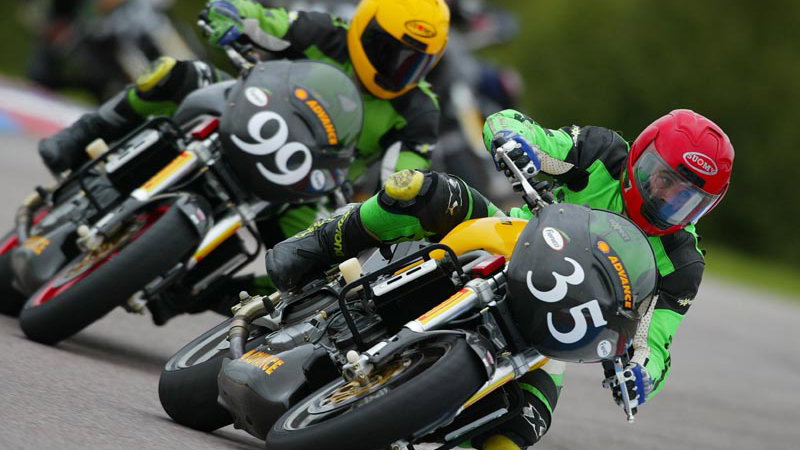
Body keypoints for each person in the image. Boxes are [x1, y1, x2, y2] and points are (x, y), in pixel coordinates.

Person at [263, 108, 735, 449]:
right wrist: (514, 140)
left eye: (689, 200)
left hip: (552, 331)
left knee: (523, 427)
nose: (669, 201)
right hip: (510, 240)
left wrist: (641, 374)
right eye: (665, 179)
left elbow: (655, 340)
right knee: (418, 190)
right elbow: (523, 130)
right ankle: (319, 243)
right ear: (642, 156)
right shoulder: (602, 154)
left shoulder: (683, 262)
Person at [35, 0, 450, 323]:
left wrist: (396, 198)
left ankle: (209, 291)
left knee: (323, 264)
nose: (397, 67)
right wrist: (228, 14)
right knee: (172, 72)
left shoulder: (420, 109)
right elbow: (260, 18)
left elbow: (403, 176)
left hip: (305, 185)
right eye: (387, 49)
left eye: (414, 60)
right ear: (363, 27)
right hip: (249, 109)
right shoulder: (323, 32)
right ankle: (83, 134)